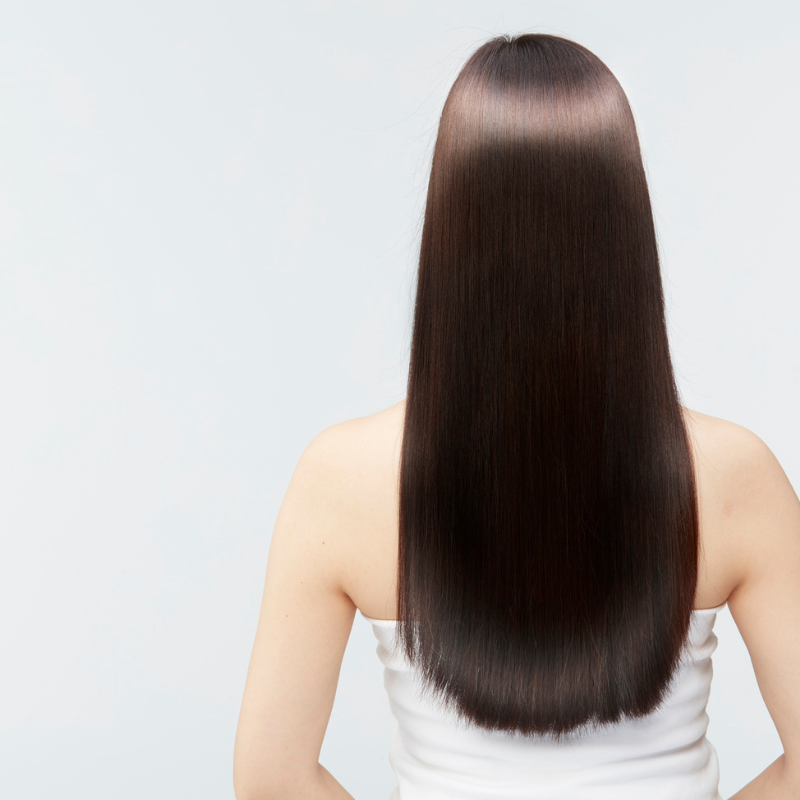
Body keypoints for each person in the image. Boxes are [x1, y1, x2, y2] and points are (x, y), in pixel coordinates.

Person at [232, 33, 800, 800]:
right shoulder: (733, 475)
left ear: (451, 228)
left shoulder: (343, 477)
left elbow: (270, 780)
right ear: (623, 226)